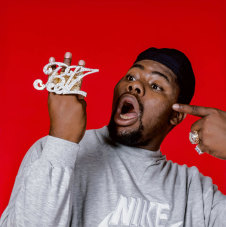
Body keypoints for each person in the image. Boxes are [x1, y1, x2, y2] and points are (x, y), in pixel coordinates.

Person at [0, 48, 226, 227]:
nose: (135, 85)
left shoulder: (193, 192)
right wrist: (61, 141)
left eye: (156, 85)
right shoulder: (52, 151)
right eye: (131, 76)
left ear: (175, 115)